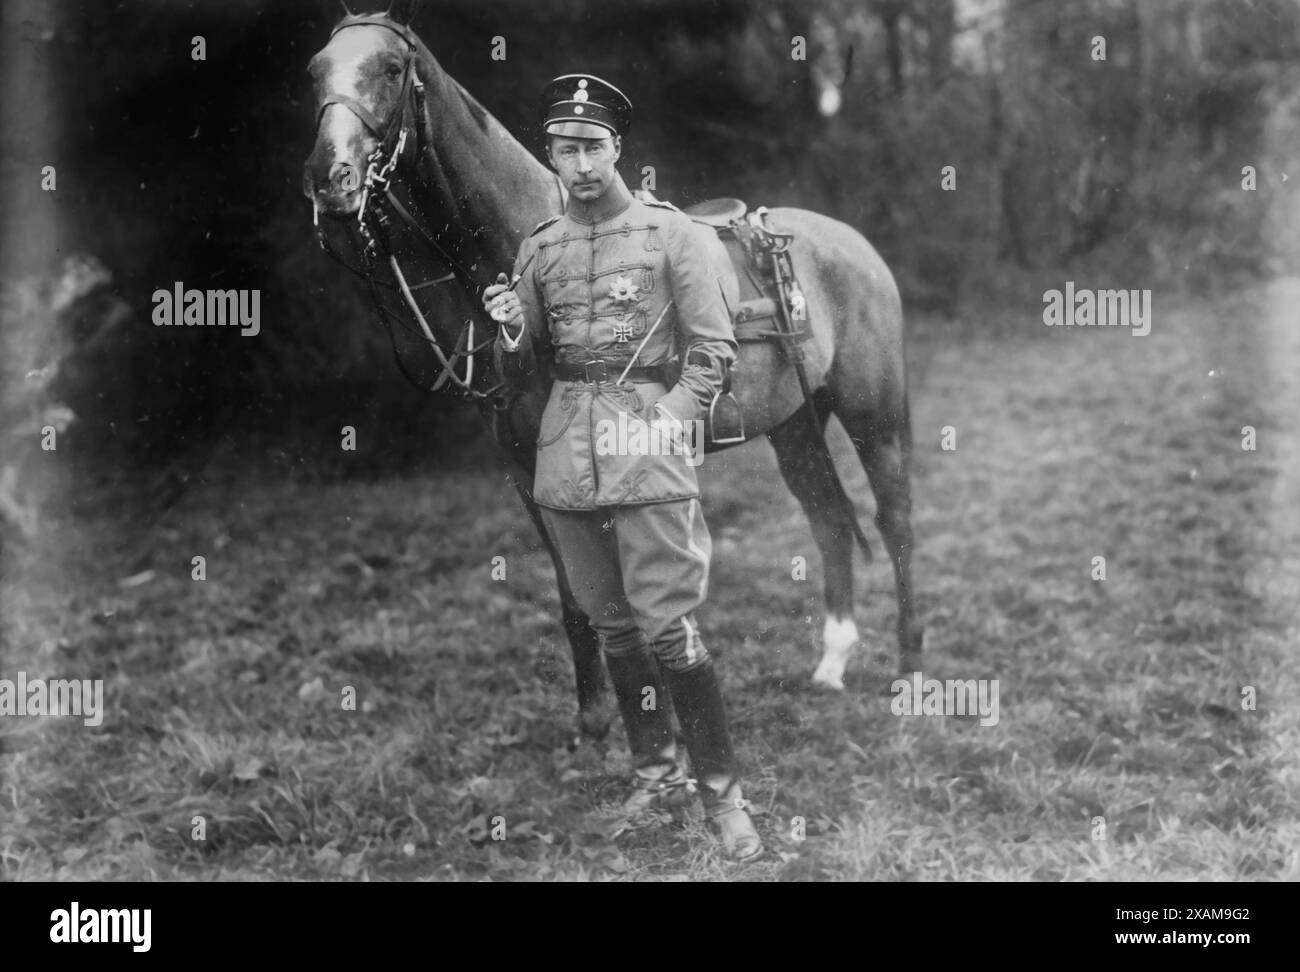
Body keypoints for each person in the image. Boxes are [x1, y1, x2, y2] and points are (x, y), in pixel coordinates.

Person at [482, 74, 761, 861]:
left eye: (594, 147)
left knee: (667, 625)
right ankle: (654, 773)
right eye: (566, 150)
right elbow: (521, 373)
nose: (580, 164)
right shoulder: (538, 249)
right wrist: (509, 331)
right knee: (611, 626)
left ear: (617, 150)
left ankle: (723, 798)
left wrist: (666, 428)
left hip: (651, 447)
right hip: (567, 453)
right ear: (551, 154)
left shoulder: (675, 237)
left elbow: (712, 354)